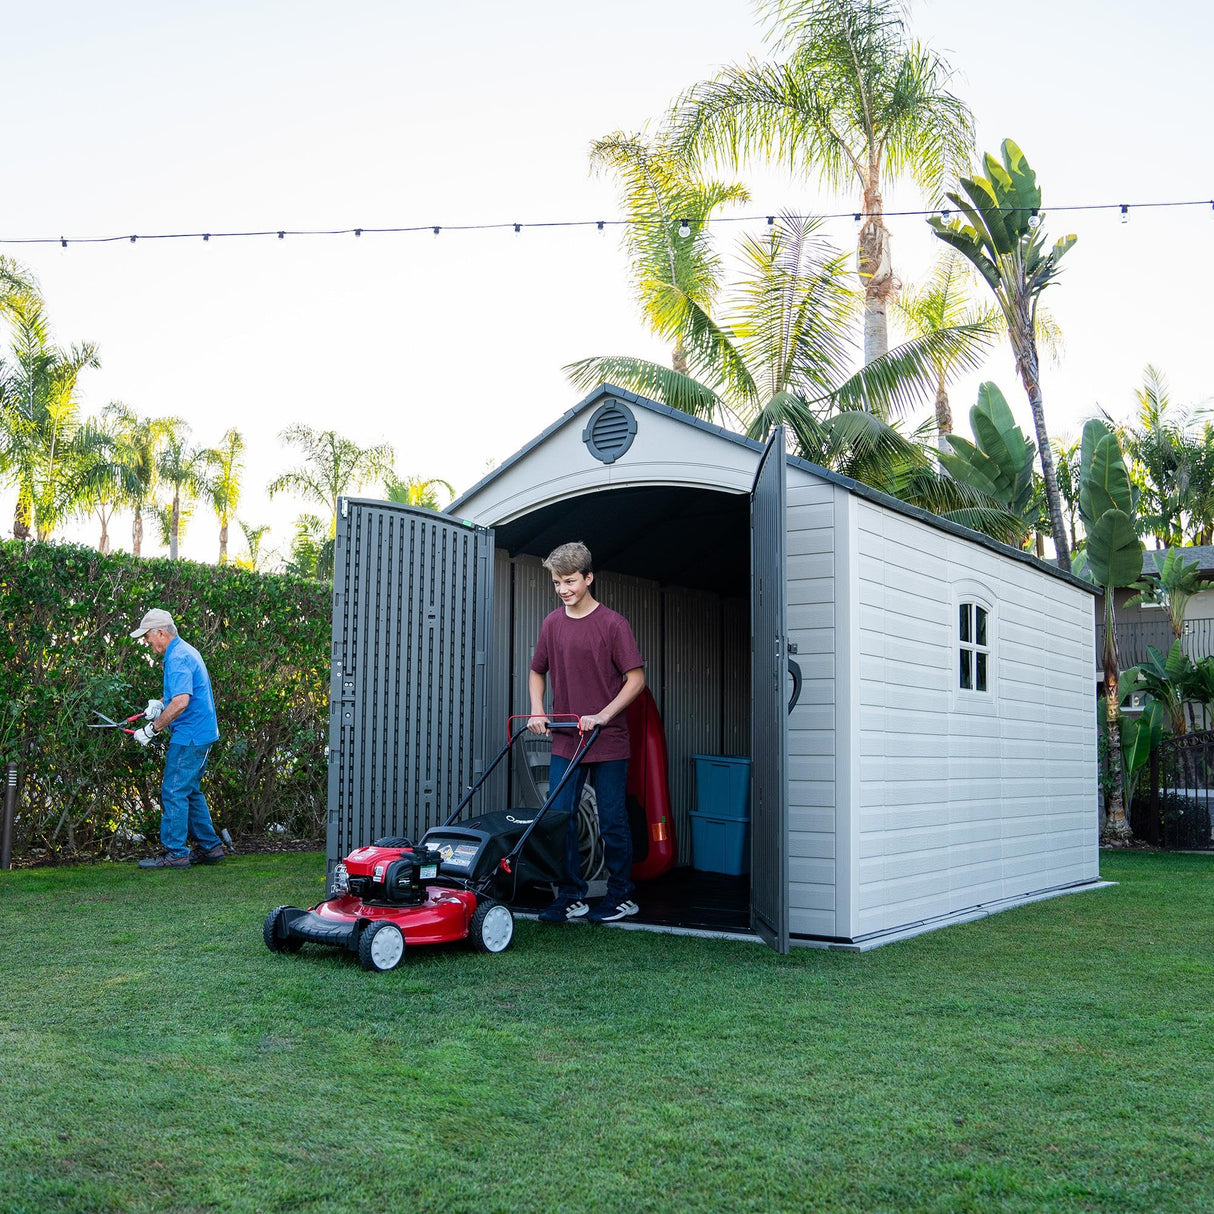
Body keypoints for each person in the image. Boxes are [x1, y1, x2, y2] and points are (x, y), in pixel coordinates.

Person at [528, 542, 645, 923]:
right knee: (559, 817)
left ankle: (621, 895)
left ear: (589, 578)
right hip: (566, 738)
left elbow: (636, 680)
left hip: (607, 740)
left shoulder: (613, 625)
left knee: (612, 819)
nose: (563, 589)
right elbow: (536, 671)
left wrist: (603, 715)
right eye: (558, 582)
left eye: (570, 581)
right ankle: (572, 895)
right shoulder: (551, 624)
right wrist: (538, 710)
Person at [129, 608, 226, 870]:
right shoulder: (183, 651)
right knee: (190, 791)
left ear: (161, 632)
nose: (146, 642)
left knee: (173, 791)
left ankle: (176, 853)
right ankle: (210, 847)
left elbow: (182, 702)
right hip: (201, 733)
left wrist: (152, 729)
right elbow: (177, 696)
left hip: (190, 736)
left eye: (147, 636)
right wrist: (158, 705)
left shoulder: (178, 658)